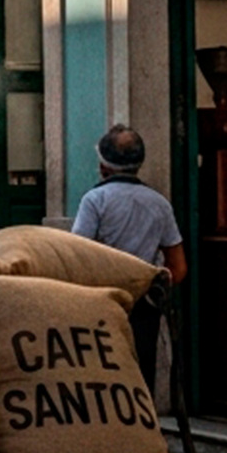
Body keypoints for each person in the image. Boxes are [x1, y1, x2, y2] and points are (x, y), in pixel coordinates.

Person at [69, 125, 191, 386]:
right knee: (140, 374)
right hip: (145, 305)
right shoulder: (159, 203)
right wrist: (153, 288)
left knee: (105, 373)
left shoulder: (95, 200)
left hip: (103, 301)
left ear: (104, 167)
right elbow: (178, 267)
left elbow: (76, 254)